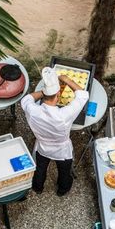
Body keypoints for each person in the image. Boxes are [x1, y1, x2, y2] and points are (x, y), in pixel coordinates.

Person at [20, 67, 89, 196]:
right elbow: (83, 95)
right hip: (62, 150)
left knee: (40, 169)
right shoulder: (64, 114)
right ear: (58, 95)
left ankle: (38, 188)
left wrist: (45, 91)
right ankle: (62, 190)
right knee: (64, 171)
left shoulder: (33, 110)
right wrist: (66, 79)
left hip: (42, 147)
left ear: (44, 95)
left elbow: (26, 99)